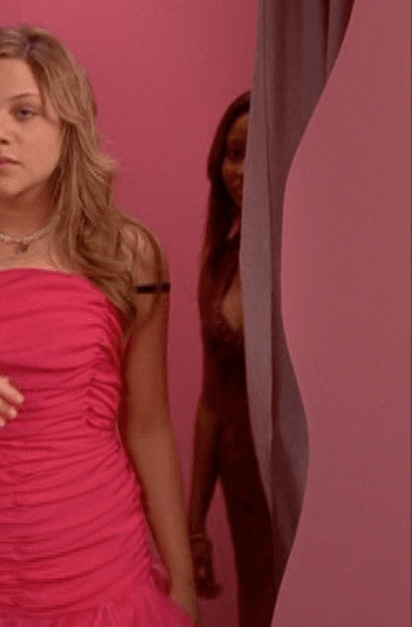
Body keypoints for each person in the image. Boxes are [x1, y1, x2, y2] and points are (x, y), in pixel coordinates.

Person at [0, 25, 198, 626]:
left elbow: (149, 428)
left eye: (24, 112)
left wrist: (181, 581)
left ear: (68, 126)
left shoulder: (128, 254)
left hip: (99, 577)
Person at [187, 92, 277, 627]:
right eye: (232, 154)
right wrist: (194, 525)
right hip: (243, 483)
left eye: (253, 154)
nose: (239, 171)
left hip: (298, 478)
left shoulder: (304, 255)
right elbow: (211, 404)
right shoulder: (220, 263)